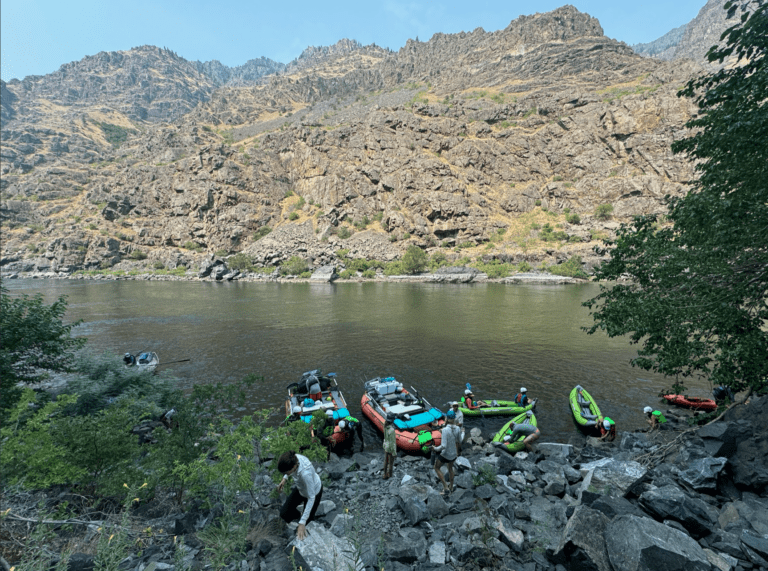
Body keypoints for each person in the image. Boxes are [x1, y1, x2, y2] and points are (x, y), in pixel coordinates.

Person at [276, 450, 323, 541]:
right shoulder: (293, 457)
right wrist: (284, 479)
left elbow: (311, 497)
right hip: (301, 488)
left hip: (313, 492)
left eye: (286, 472)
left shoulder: (306, 473)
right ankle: (300, 516)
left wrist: (302, 522)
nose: (286, 474)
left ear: (293, 467)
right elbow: (288, 470)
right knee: (284, 514)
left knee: (307, 526)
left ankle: (305, 518)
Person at [431, 410, 461, 495]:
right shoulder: (458, 428)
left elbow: (443, 446)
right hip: (454, 454)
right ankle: (451, 486)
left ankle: (445, 487)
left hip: (445, 454)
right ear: (454, 418)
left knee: (436, 467)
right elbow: (459, 440)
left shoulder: (445, 430)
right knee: (450, 468)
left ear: (446, 418)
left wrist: (435, 449)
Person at [382, 413, 397, 480]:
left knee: (386, 461)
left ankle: (384, 474)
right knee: (391, 463)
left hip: (386, 445)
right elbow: (393, 442)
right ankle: (390, 475)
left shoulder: (385, 426)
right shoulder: (392, 430)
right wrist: (394, 452)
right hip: (390, 447)